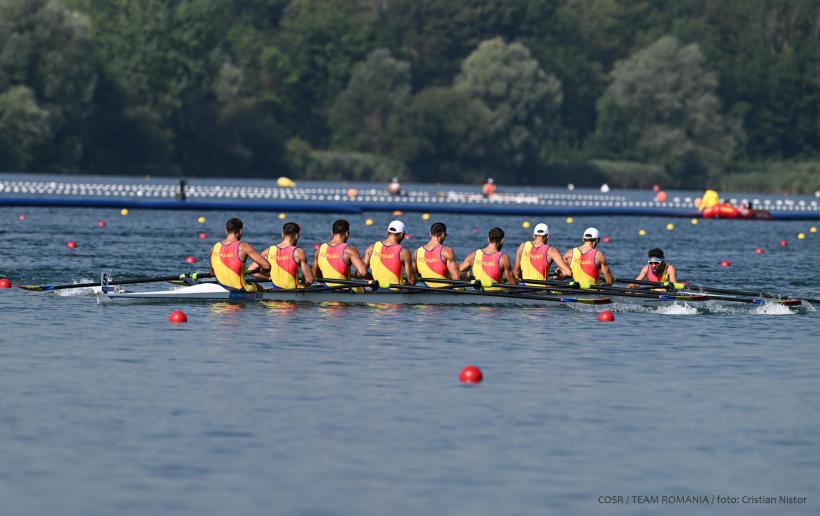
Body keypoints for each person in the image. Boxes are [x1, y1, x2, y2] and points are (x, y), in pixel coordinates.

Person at [210, 217, 270, 291]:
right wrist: (266, 275)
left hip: (221, 289)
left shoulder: (214, 247)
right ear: (241, 231)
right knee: (259, 287)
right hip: (240, 290)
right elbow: (266, 265)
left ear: (226, 231)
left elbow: (213, 272)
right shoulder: (244, 247)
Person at [249, 221, 314, 289]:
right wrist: (304, 281)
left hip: (275, 293)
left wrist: (268, 277)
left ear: (282, 234)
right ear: (297, 236)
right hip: (294, 293)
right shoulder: (298, 252)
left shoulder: (268, 251)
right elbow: (310, 279)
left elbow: (251, 270)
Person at [312, 219, 368, 285]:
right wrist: (357, 274)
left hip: (326, 290)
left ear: (332, 232)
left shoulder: (320, 250)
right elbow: (363, 272)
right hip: (345, 291)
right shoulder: (349, 250)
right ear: (347, 233)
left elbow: (314, 274)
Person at [363, 220, 416, 288]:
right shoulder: (404, 252)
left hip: (374, 291)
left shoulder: (371, 248)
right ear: (402, 234)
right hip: (395, 294)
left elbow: (360, 273)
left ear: (388, 232)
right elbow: (412, 281)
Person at [414, 222, 461, 287]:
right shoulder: (446, 251)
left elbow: (414, 276)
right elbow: (456, 277)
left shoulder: (417, 252)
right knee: (465, 274)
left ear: (430, 234)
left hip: (425, 292)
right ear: (443, 234)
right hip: (444, 292)